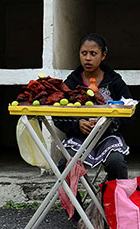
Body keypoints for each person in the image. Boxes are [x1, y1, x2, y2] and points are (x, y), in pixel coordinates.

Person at [53, 33, 134, 181]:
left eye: (93, 53)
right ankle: (75, 204)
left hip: (107, 137)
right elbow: (58, 116)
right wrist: (78, 124)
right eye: (84, 53)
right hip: (79, 139)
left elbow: (130, 111)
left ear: (103, 55)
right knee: (66, 164)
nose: (88, 58)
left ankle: (111, 202)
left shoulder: (114, 81)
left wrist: (108, 123)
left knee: (116, 163)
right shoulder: (71, 83)